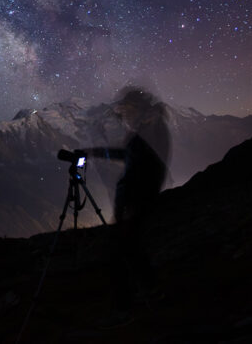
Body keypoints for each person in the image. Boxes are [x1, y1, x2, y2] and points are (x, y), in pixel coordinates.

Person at [87, 88, 170, 325]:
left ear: (138, 108)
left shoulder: (150, 132)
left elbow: (149, 168)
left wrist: (134, 203)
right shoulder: (146, 131)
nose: (123, 116)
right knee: (131, 249)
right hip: (135, 201)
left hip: (135, 202)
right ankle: (151, 291)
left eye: (126, 110)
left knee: (118, 253)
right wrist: (96, 152)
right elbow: (128, 155)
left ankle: (124, 309)